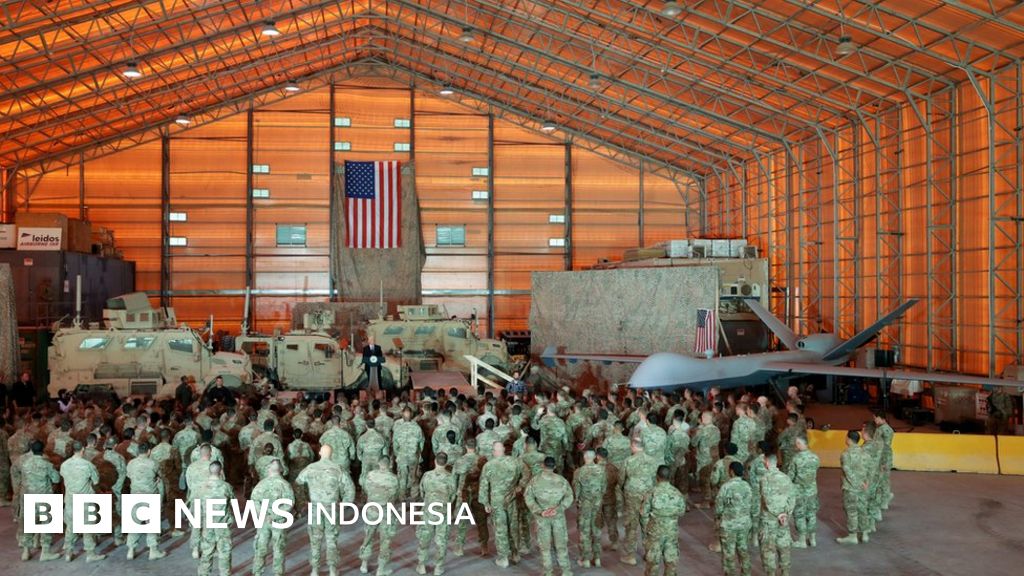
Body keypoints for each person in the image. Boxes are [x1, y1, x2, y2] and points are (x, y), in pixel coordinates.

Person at [297, 445, 354, 576]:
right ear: (331, 454)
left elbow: (298, 483)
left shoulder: (310, 468)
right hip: (331, 509)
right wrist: (344, 505)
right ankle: (332, 570)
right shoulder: (338, 469)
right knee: (331, 539)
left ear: (319, 453)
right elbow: (350, 489)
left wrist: (304, 501)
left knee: (315, 540)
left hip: (315, 509)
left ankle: (315, 570)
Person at [525, 456, 574, 576]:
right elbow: (569, 496)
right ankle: (566, 571)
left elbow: (528, 497)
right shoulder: (561, 480)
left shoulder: (535, 481)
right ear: (554, 466)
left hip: (542, 518)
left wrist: (539, 511)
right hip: (558, 517)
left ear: (543, 465)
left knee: (545, 547)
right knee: (561, 546)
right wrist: (559, 508)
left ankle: (548, 572)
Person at [59, 441, 106, 562]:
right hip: (85, 500)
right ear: (83, 449)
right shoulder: (88, 465)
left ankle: (68, 553)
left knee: (71, 527)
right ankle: (90, 554)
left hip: (70, 499)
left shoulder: (64, 465)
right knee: (88, 528)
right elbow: (96, 481)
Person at [479, 440, 522, 567]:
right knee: (513, 527)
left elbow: (484, 485)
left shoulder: (489, 465)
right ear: (503, 449)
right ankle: (515, 554)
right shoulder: (515, 462)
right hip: (511, 499)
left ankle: (503, 558)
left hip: (497, 501)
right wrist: (517, 489)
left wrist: (485, 503)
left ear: (493, 452)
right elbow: (525, 477)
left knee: (500, 529)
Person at [416, 452, 457, 575]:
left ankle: (421, 565)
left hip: (428, 511)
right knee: (441, 541)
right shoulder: (451, 477)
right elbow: (453, 496)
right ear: (446, 462)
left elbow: (422, 492)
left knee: (424, 538)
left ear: (435, 461)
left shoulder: (427, 475)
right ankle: (438, 568)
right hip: (443, 513)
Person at [250, 459, 294, 576]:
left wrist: (263, 514)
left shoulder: (262, 484)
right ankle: (278, 574)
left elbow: (254, 501)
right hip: (279, 521)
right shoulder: (285, 485)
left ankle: (257, 572)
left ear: (268, 469)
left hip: (264, 521)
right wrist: (274, 516)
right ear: (281, 470)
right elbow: (289, 504)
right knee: (278, 549)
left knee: (261, 548)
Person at [620, 438, 660, 565]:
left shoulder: (628, 460)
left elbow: (621, 478)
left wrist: (623, 488)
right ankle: (649, 553)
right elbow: (656, 478)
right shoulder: (652, 461)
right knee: (647, 523)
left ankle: (631, 556)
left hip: (632, 495)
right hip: (647, 494)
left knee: (631, 525)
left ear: (634, 446)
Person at [125, 442, 167, 560]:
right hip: (150, 495)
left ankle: (131, 550)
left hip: (135, 495)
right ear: (149, 451)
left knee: (134, 524)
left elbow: (129, 476)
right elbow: (160, 475)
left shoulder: (131, 463)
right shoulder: (153, 463)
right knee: (151, 524)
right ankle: (153, 551)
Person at [642, 464, 687, 576]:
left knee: (652, 563)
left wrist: (647, 528)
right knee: (671, 563)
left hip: (654, 533)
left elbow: (643, 513)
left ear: (657, 476)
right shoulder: (677, 493)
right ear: (670, 477)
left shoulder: (651, 493)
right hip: (671, 533)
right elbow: (681, 512)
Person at [359, 458, 399, 576]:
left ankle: (364, 564)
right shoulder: (393, 478)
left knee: (369, 535)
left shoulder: (370, 475)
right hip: (386, 511)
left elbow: (366, 489)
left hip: (372, 510)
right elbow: (395, 495)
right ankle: (381, 569)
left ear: (378, 464)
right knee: (385, 540)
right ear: (390, 465)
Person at [759, 453, 795, 576]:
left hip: (769, 521)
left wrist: (778, 514)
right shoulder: (786, 478)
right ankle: (785, 572)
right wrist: (786, 514)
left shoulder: (765, 478)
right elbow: (792, 498)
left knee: (768, 549)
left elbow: (767, 500)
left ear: (767, 463)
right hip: (784, 520)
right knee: (784, 547)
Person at [196, 461, 234, 576]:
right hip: (222, 524)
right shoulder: (226, 487)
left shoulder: (201, 488)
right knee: (224, 552)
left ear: (209, 471)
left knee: (207, 551)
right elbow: (232, 503)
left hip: (208, 523)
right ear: (221, 471)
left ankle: (204, 573)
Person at [716, 462, 752, 576]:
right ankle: (746, 573)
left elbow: (718, 507)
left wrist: (719, 517)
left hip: (729, 525)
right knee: (743, 550)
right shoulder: (747, 486)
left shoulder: (726, 486)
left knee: (729, 553)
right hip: (744, 523)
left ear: (731, 472)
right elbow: (751, 503)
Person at [572, 450, 606, 568]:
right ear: (594, 457)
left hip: (584, 506)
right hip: (597, 504)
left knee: (584, 532)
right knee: (596, 530)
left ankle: (585, 559)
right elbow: (604, 487)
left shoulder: (579, 472)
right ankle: (597, 558)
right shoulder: (601, 470)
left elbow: (576, 490)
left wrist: (578, 501)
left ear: (584, 457)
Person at [837, 431, 870, 544]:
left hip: (851, 487)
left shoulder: (846, 454)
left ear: (849, 439)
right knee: (862, 510)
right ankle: (864, 534)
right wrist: (865, 482)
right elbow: (869, 469)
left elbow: (847, 471)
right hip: (863, 487)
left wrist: (856, 483)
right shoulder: (864, 452)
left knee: (851, 511)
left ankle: (853, 536)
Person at [787, 437, 820, 548]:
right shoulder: (815, 457)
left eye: (797, 443)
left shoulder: (796, 459)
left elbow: (790, 476)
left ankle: (802, 540)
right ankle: (813, 539)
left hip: (799, 491)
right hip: (812, 490)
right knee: (811, 514)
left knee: (799, 514)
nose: (796, 445)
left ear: (801, 444)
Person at [393, 407, 425, 499]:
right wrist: (418, 453)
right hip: (413, 456)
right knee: (414, 476)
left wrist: (397, 454)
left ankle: (402, 496)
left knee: (402, 477)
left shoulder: (398, 429)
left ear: (402, 415)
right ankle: (414, 496)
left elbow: (395, 445)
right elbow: (421, 443)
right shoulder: (417, 428)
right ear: (411, 415)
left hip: (402, 456)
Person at [694, 410, 721, 507]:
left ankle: (706, 501)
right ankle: (714, 498)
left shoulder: (702, 430)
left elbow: (694, 442)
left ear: (704, 418)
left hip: (704, 458)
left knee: (704, 479)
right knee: (713, 478)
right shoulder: (716, 429)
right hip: (714, 456)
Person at [872, 411, 895, 510]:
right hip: (882, 457)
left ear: (881, 418)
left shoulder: (884, 429)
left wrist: (883, 461)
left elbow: (885, 447)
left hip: (883, 458)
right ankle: (884, 497)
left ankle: (885, 499)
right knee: (881, 479)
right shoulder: (882, 428)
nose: (874, 420)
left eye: (875, 418)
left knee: (883, 480)